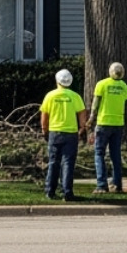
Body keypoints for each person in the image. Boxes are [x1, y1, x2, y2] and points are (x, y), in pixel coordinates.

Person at [40, 67, 86, 202]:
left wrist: (44, 129)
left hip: (55, 132)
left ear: (57, 81)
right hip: (71, 133)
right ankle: (67, 192)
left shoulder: (50, 95)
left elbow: (44, 114)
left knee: (53, 162)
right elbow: (82, 112)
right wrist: (82, 128)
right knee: (68, 163)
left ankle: (50, 191)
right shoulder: (75, 96)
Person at [90, 62, 127, 193]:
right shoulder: (124, 86)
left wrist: (91, 119)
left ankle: (102, 185)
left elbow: (95, 103)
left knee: (99, 154)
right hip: (118, 123)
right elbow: (126, 98)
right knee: (115, 155)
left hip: (103, 123)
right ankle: (117, 184)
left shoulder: (102, 84)